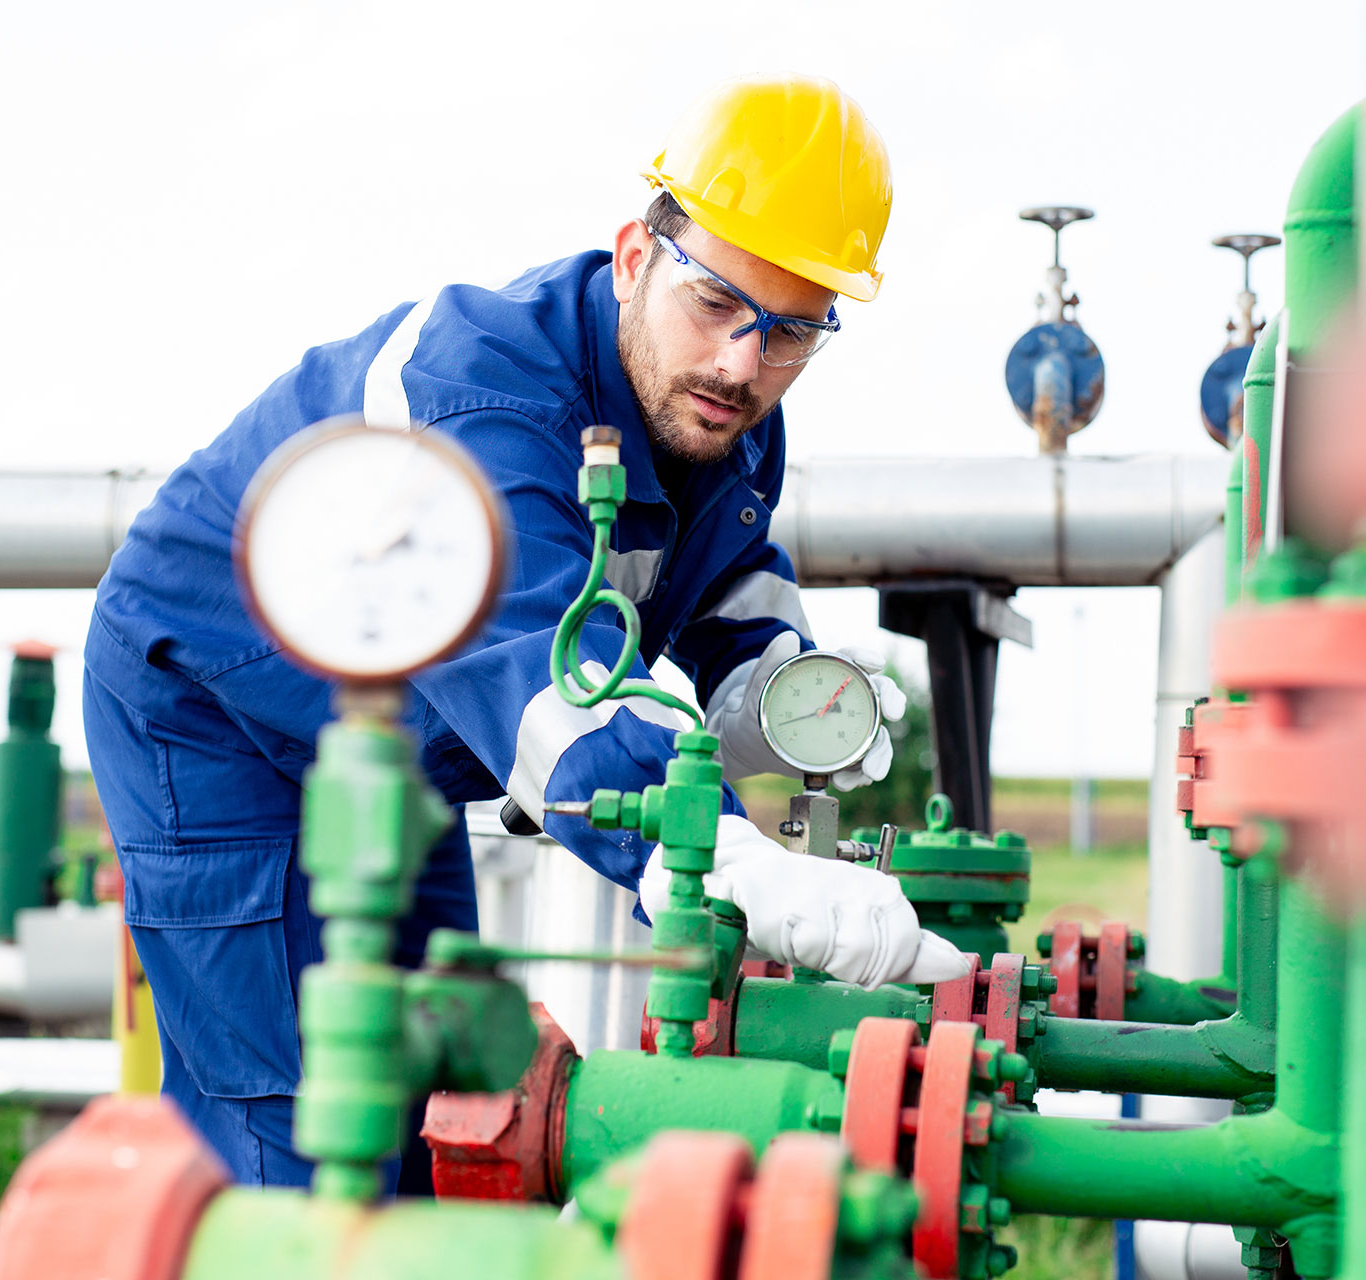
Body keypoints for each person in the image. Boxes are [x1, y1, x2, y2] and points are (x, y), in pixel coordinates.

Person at [82, 73, 970, 1188]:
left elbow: (732, 574)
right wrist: (729, 863)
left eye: (792, 331)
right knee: (309, 1129)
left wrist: (787, 687)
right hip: (217, 714)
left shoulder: (723, 414)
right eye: (718, 304)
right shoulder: (477, 389)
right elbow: (536, 672)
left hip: (393, 741)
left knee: (444, 1085)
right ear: (636, 258)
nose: (745, 363)